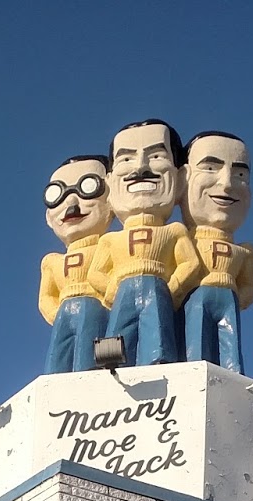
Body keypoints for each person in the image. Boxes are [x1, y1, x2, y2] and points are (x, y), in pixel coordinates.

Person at [91, 119, 201, 365]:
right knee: (119, 328)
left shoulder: (173, 230)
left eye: (156, 156)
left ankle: (159, 358)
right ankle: (111, 361)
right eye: (126, 159)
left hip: (157, 285)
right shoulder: (110, 239)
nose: (140, 168)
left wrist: (171, 288)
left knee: (158, 327)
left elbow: (190, 263)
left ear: (181, 177)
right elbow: (95, 273)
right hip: (123, 288)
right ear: (110, 181)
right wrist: (112, 290)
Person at [179, 131, 253, 371]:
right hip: (194, 299)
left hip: (228, 300)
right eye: (210, 168)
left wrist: (235, 298)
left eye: (240, 174)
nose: (227, 183)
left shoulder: (244, 251)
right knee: (196, 339)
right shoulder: (178, 239)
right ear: (182, 179)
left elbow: (248, 288)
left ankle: (233, 371)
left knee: (230, 341)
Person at [39, 154, 113, 373]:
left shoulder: (110, 245)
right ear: (49, 216)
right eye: (57, 195)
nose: (71, 204)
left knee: (87, 359)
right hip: (64, 313)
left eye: (87, 188)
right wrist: (59, 315)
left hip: (95, 309)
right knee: (58, 358)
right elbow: (46, 297)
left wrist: (106, 305)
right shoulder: (52, 261)